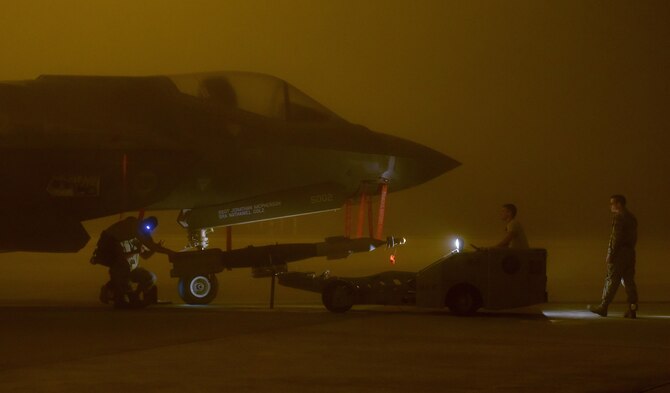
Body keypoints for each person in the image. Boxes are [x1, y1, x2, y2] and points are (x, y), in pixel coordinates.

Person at [91, 216, 172, 308]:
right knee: (122, 283)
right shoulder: (120, 240)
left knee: (150, 277)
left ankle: (134, 296)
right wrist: (137, 251)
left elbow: (145, 255)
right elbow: (120, 257)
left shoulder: (138, 239)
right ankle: (115, 294)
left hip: (132, 269)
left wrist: (155, 248)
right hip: (120, 270)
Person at [589, 195, 639, 318]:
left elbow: (616, 238)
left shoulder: (619, 217)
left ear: (619, 204)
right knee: (629, 281)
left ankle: (603, 306)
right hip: (630, 252)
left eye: (612, 203)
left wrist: (610, 254)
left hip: (619, 253)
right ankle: (632, 309)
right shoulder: (632, 218)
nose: (610, 206)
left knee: (611, 279)